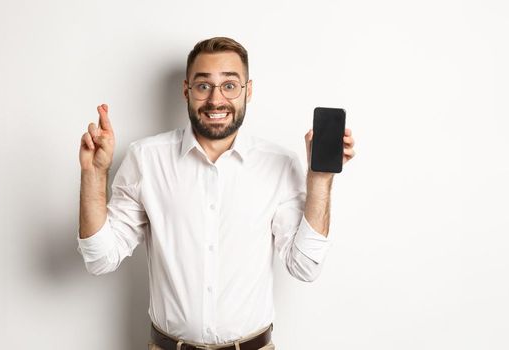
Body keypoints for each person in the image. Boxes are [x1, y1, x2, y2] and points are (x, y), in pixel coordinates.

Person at [76, 36, 356, 350]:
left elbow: (305, 266)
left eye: (230, 85)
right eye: (203, 85)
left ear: (248, 91)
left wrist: (320, 180)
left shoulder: (279, 164)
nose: (215, 100)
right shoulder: (146, 159)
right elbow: (100, 259)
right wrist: (94, 174)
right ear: (187, 90)